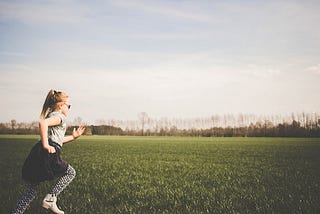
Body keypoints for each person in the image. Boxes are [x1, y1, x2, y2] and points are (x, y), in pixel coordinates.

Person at [12, 89, 85, 214]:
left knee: (31, 191)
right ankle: (51, 198)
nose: (69, 108)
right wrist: (46, 145)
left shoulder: (51, 115)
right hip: (49, 153)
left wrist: (73, 137)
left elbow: (56, 140)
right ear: (61, 106)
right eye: (69, 106)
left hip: (39, 153)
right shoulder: (60, 117)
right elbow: (43, 124)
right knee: (70, 172)